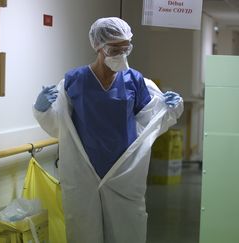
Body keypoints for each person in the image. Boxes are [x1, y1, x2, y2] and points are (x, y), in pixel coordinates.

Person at [33, 17, 183, 243]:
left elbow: (149, 120)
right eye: (115, 49)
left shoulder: (134, 80)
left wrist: (170, 108)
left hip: (124, 173)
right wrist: (41, 109)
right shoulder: (75, 80)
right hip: (84, 172)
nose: (121, 54)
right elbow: (59, 124)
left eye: (126, 48)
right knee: (84, 231)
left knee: (128, 230)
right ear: (98, 46)